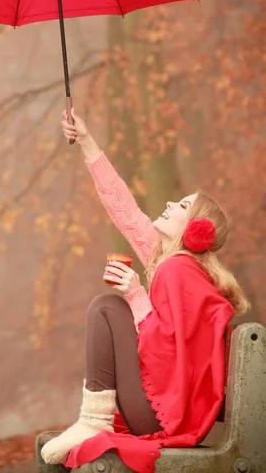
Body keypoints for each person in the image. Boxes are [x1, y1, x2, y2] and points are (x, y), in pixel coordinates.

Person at [41, 107, 251, 473]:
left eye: (183, 205)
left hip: (160, 416)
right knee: (107, 305)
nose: (170, 203)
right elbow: (122, 207)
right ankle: (93, 420)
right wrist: (87, 143)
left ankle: (93, 420)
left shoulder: (176, 270)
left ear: (196, 230)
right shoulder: (171, 261)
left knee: (107, 307)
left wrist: (137, 295)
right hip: (162, 408)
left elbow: (165, 355)